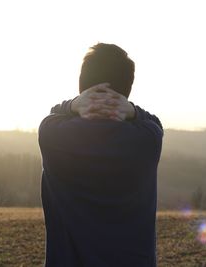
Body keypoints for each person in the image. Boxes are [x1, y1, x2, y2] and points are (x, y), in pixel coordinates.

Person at [38, 43, 163, 267]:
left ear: (82, 87)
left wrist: (73, 105)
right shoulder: (147, 140)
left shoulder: (53, 136)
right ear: (126, 91)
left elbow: (53, 113)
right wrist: (132, 110)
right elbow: (155, 124)